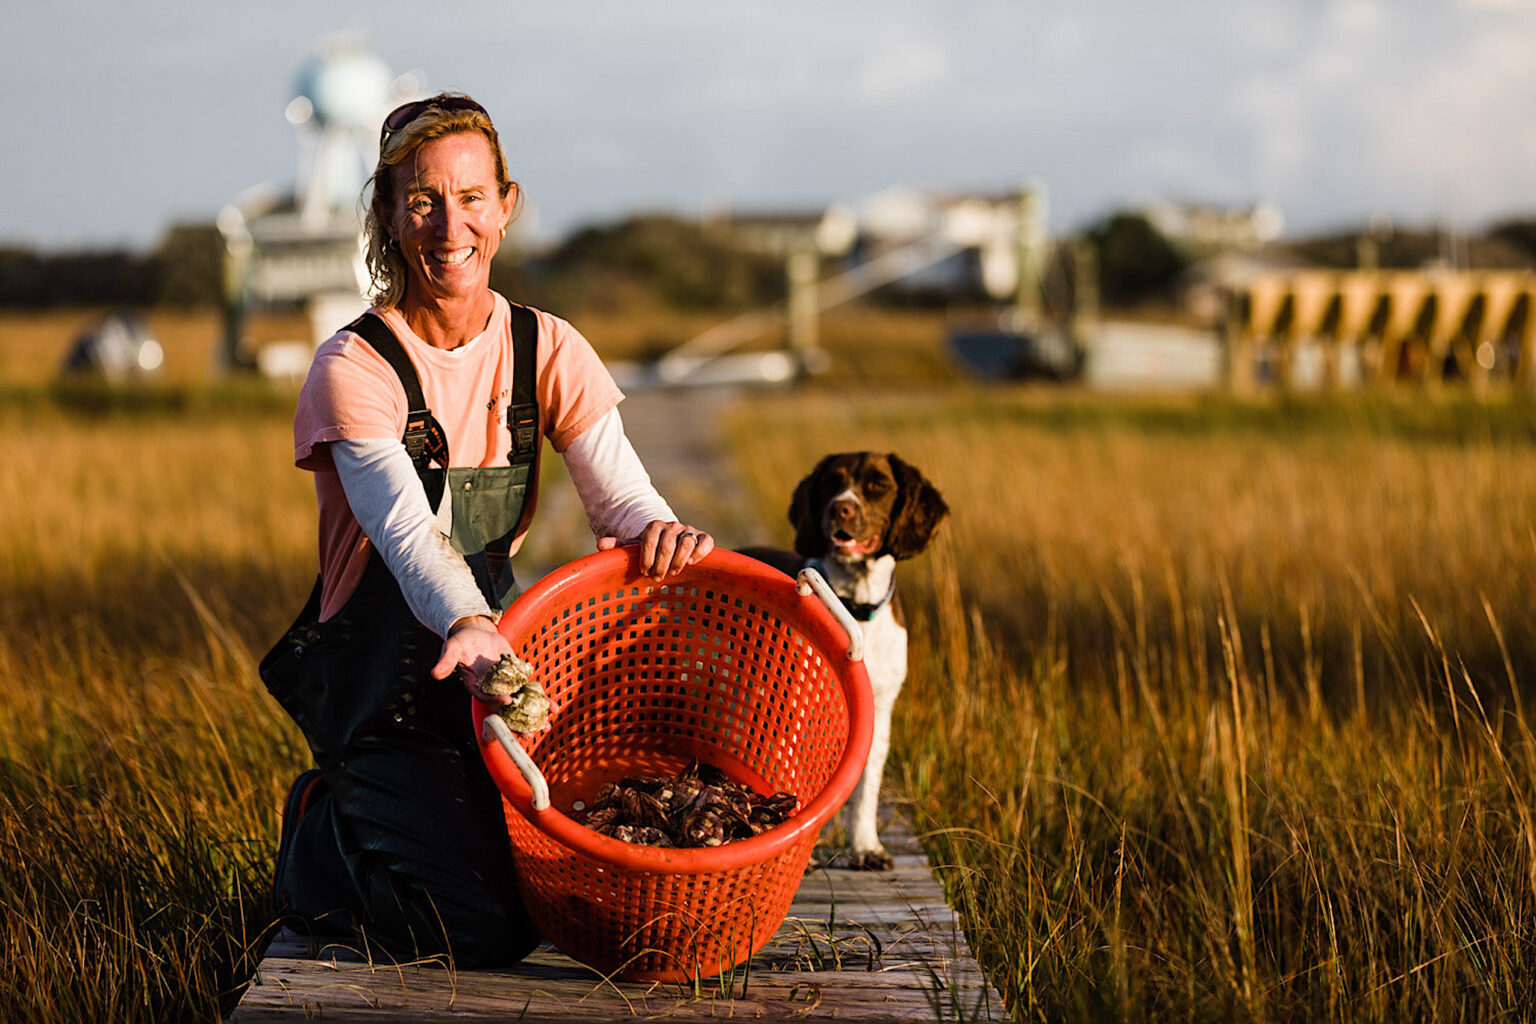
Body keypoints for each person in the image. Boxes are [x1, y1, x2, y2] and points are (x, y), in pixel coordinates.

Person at [261, 92, 715, 967]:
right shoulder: (354, 365)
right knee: (483, 931)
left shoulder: (548, 347)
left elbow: (623, 503)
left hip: (496, 677)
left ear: (506, 207)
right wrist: (469, 626)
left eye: (471, 197)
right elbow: (404, 529)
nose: (448, 224)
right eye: (423, 199)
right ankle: (324, 837)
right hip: (382, 697)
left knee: (567, 896)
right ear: (388, 216)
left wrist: (661, 533)